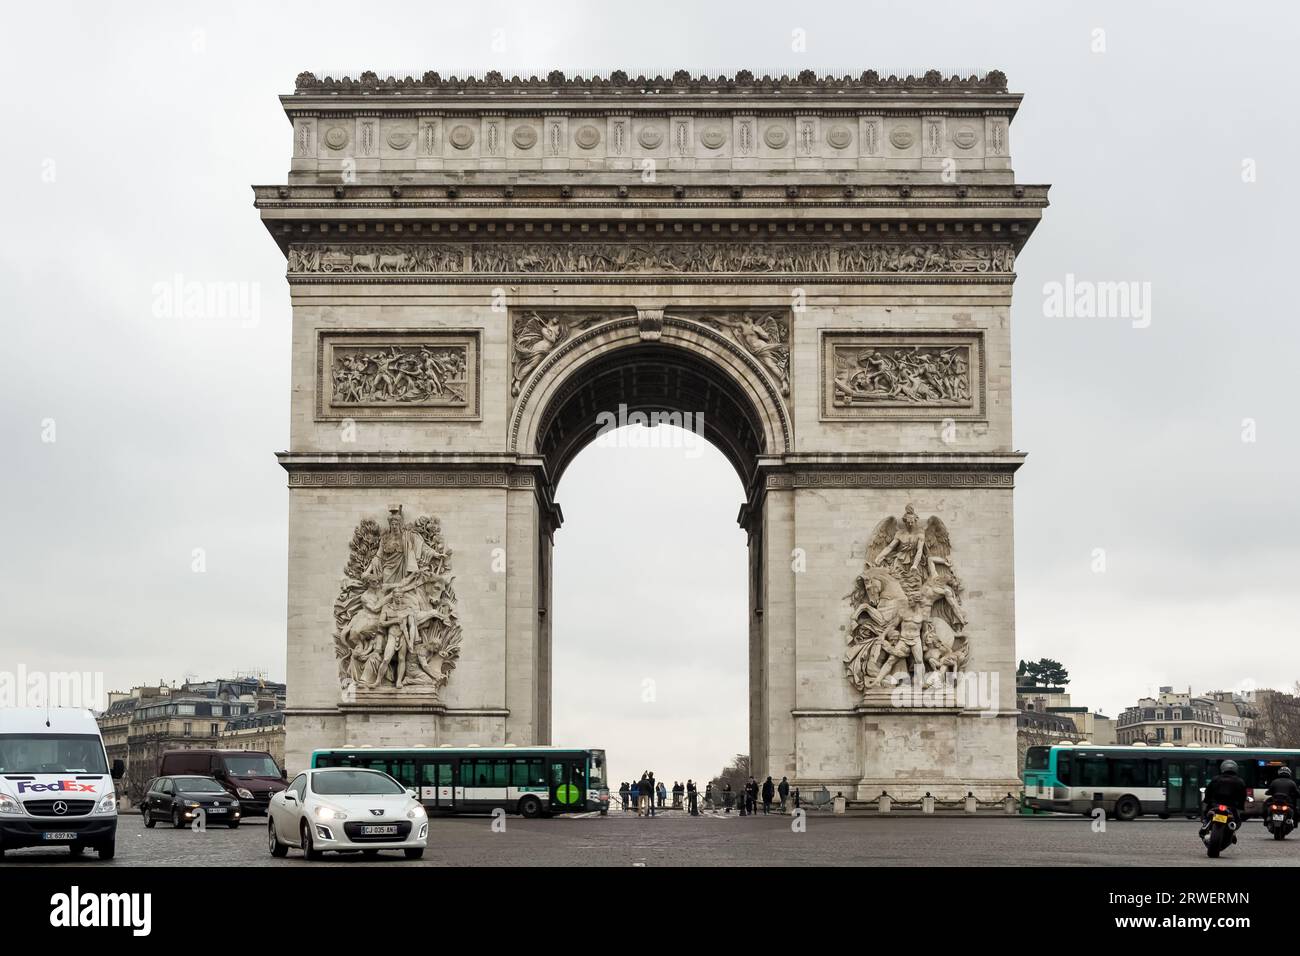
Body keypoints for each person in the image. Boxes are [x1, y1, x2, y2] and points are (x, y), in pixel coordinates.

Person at [1201, 759, 1248, 840]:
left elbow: (1208, 792)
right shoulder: (1240, 781)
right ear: (1235, 769)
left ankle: (1205, 825)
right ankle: (1232, 832)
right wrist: (1241, 807)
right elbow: (1242, 796)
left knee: (1206, 815)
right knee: (1236, 820)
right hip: (1231, 807)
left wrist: (1206, 802)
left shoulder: (1215, 779)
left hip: (1215, 804)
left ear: (1222, 768)